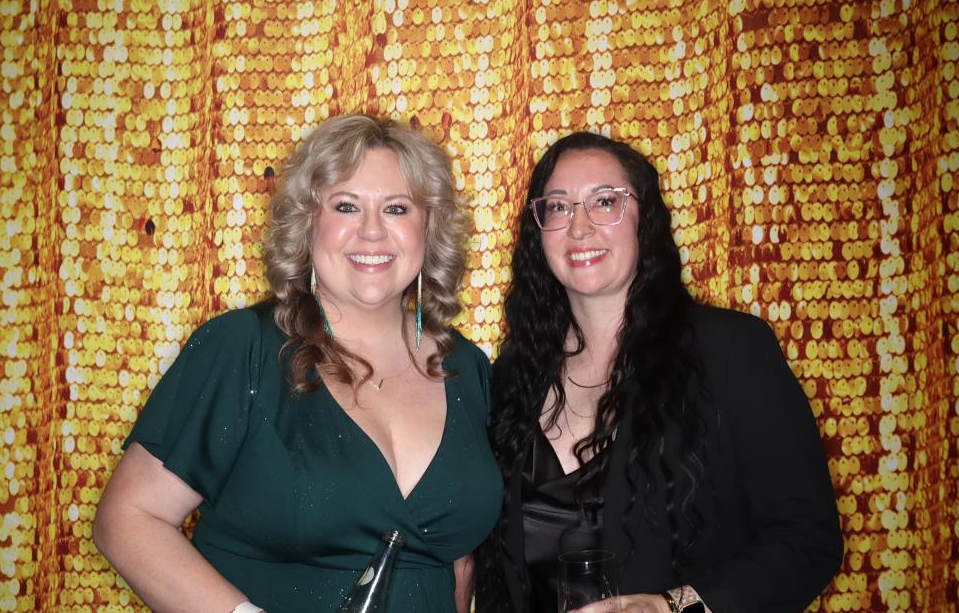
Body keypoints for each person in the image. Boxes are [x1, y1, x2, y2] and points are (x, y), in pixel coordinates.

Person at [94, 114, 502, 613]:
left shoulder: (468, 368)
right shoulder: (242, 347)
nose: (372, 231)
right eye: (346, 206)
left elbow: (460, 566)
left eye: (396, 208)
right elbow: (128, 518)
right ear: (307, 224)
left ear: (429, 227)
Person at [474, 132, 843, 612]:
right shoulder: (511, 378)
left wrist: (673, 605)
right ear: (538, 229)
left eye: (605, 202)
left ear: (644, 217)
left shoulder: (729, 349)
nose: (579, 227)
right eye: (559, 207)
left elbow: (809, 539)